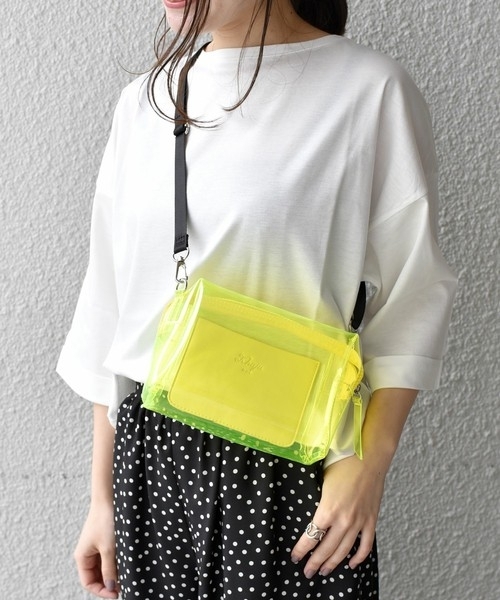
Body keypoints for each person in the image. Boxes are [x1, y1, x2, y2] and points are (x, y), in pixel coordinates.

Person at [57, 0, 457, 598]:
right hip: (153, 464)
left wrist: (367, 468)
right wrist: (102, 498)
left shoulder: (369, 91)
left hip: (291, 464)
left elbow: (413, 297)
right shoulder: (144, 102)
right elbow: (111, 307)